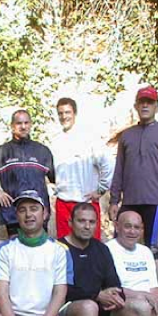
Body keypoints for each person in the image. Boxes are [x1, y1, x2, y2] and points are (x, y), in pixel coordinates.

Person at [108, 86, 158, 277]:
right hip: (130, 201)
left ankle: (153, 290)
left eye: (149, 102)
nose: (145, 106)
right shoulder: (126, 136)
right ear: (136, 106)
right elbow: (119, 169)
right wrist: (114, 201)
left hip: (156, 202)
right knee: (119, 245)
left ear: (156, 106)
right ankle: (119, 287)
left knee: (154, 248)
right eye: (142, 102)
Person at [0, 110, 55, 236]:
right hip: (12, 214)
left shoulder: (42, 151)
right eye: (19, 123)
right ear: (12, 126)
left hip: (38, 214)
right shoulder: (1, 152)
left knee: (38, 247)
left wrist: (49, 202)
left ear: (31, 124)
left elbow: (57, 180)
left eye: (26, 123)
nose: (23, 127)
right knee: (16, 248)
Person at [50, 97, 113, 239]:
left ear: (75, 113)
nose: (64, 116)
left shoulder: (89, 137)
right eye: (60, 113)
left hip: (86, 202)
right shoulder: (56, 141)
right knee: (65, 247)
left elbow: (108, 163)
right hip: (63, 203)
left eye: (67, 112)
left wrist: (101, 189)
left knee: (91, 247)